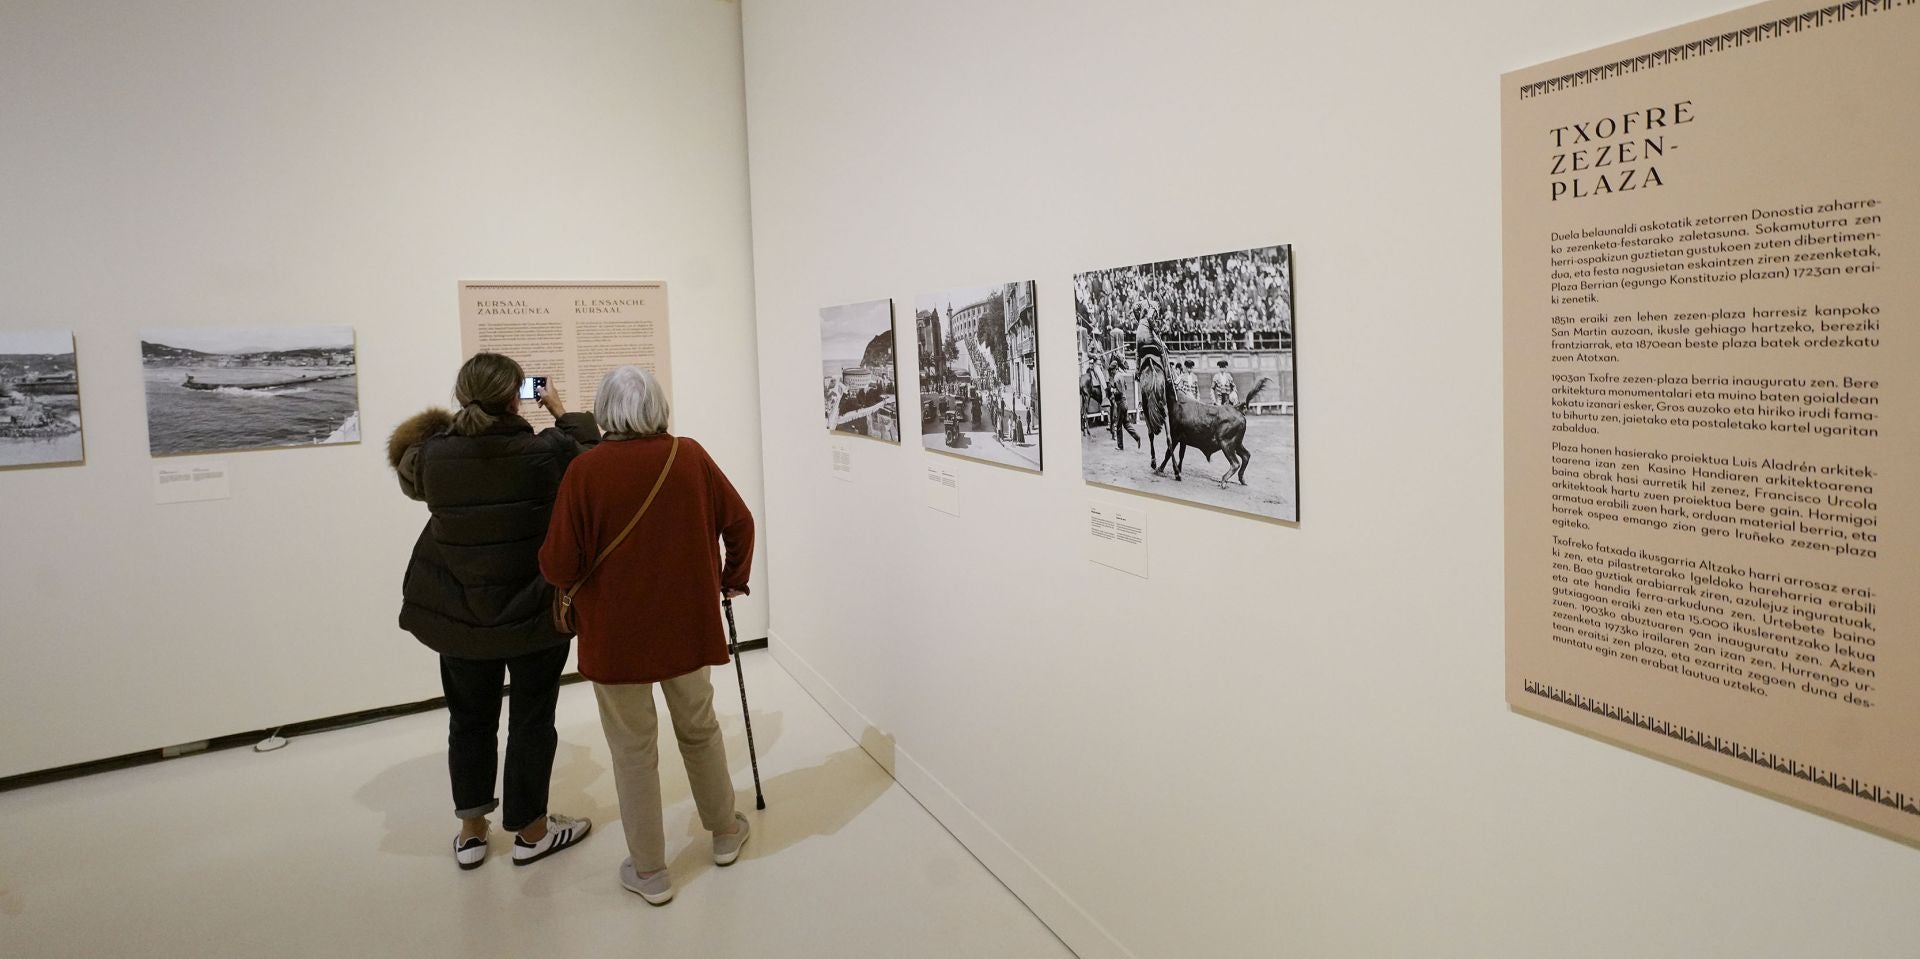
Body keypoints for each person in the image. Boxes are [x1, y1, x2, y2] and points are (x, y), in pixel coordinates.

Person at [540, 366, 755, 906]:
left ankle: (651, 871)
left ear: (605, 411)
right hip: (687, 626)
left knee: (633, 752)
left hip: (617, 638)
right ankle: (725, 833)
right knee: (700, 730)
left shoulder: (586, 473)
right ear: (658, 406)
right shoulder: (690, 457)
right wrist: (733, 581)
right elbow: (741, 521)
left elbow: (560, 565)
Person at [388, 352, 599, 871]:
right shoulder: (543, 450)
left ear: (462, 395)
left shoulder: (434, 455)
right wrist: (561, 409)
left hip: (459, 615)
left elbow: (410, 473)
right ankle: (531, 832)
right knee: (532, 720)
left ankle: (472, 831)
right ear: (514, 396)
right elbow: (592, 460)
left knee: (469, 719)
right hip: (532, 614)